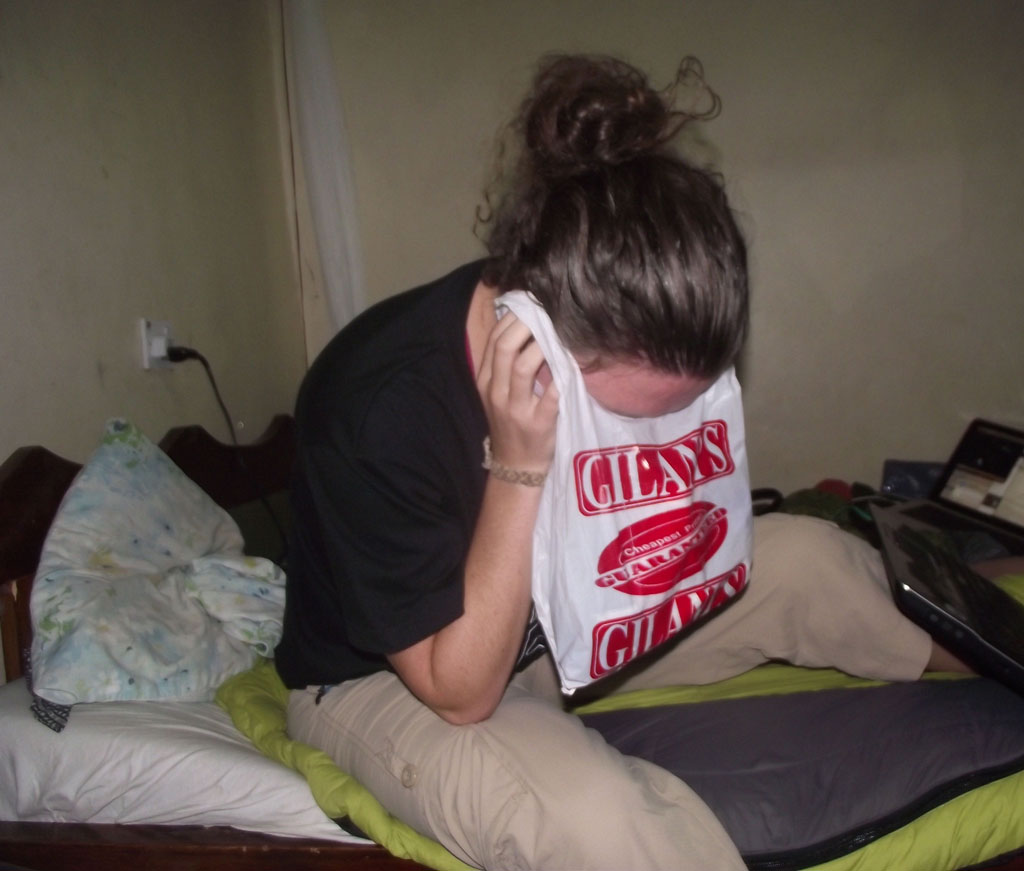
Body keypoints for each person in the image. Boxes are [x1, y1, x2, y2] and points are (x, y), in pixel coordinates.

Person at [274, 54, 964, 870]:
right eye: (639, 414)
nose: (660, 432)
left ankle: (993, 659)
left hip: (565, 631)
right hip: (403, 680)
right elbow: (459, 692)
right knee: (595, 816)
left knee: (810, 556)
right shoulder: (375, 405)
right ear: (536, 334)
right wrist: (518, 465)